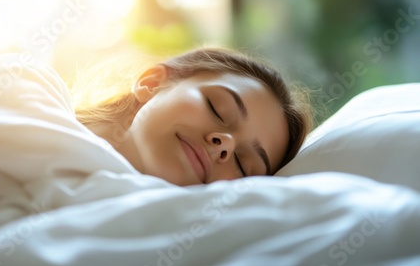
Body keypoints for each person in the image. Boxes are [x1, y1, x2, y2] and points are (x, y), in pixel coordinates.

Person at [75, 47, 313, 186]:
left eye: (243, 165)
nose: (226, 143)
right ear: (153, 82)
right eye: (216, 108)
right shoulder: (39, 98)